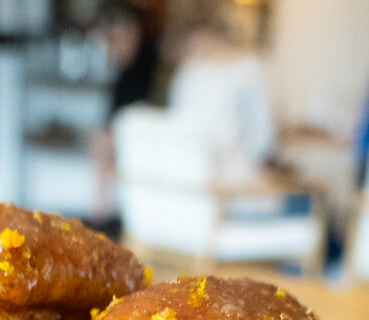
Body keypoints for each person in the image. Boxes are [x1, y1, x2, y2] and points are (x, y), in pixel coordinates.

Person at [167, 20, 275, 184]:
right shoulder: (248, 70)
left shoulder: (186, 73)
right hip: (228, 182)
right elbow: (262, 140)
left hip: (186, 179)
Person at [92, 2, 158, 226]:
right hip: (122, 123)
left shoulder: (148, 59)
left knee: (103, 141)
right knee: (101, 140)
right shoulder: (122, 67)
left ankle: (101, 215)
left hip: (136, 123)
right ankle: (101, 211)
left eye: (128, 33)